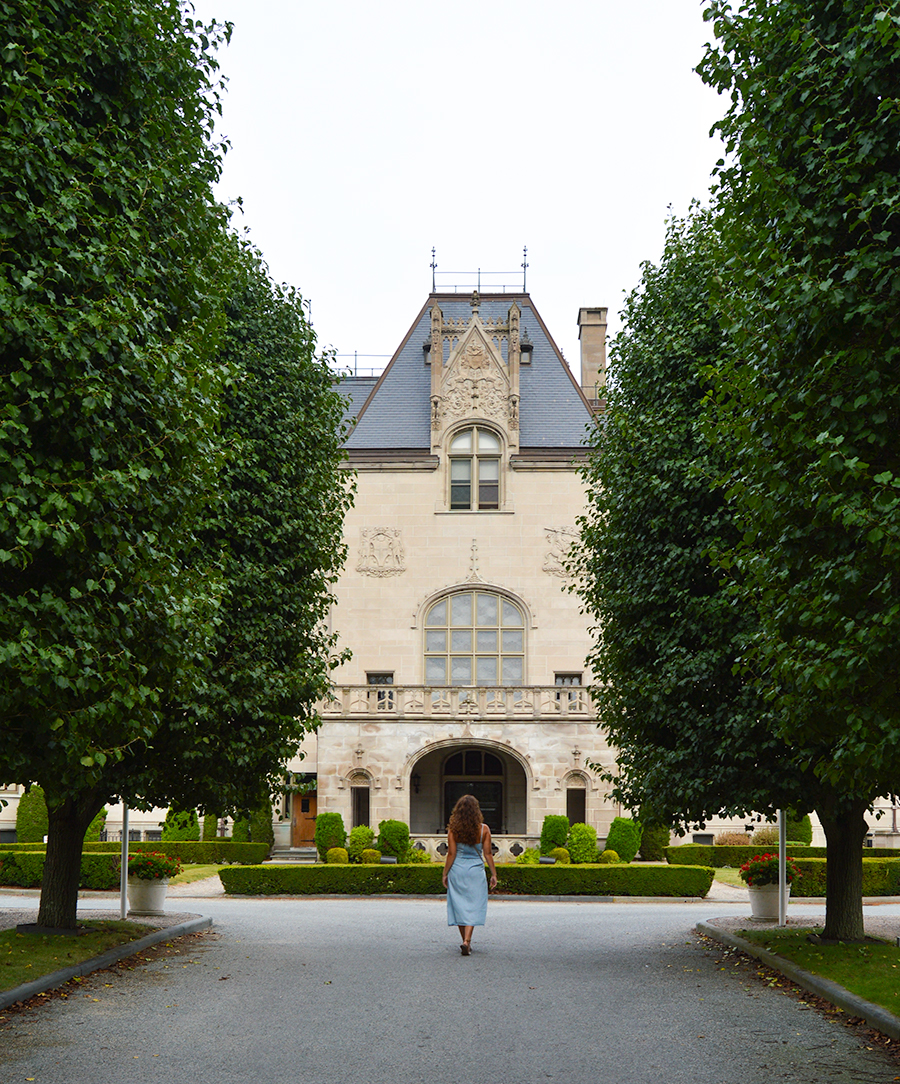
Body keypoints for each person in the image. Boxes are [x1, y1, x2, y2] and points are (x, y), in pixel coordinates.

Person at [442, 793, 498, 955]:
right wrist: (493, 874)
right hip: (475, 870)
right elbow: (488, 854)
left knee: (459, 905)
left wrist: (445, 873)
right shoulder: (484, 829)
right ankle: (467, 940)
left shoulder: (453, 829)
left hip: (458, 869)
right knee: (473, 905)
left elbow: (451, 854)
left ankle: (464, 941)